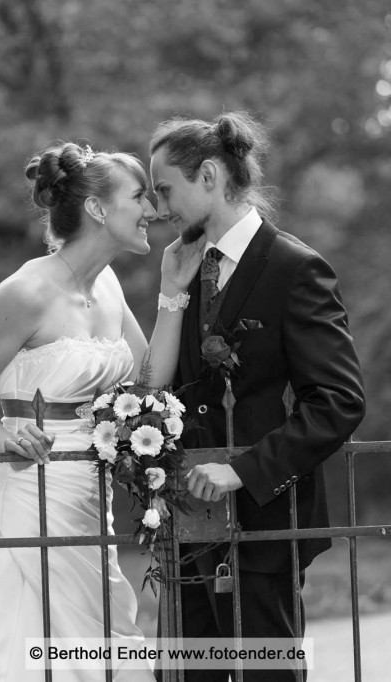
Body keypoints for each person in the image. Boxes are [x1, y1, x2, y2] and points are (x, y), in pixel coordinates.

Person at [0, 141, 204, 681]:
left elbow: (149, 381)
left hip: (89, 495)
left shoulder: (108, 283)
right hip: (30, 491)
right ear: (99, 209)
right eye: (139, 196)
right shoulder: (25, 291)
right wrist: (5, 439)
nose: (152, 209)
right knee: (21, 633)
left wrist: (172, 292)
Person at [148, 112, 366, 681]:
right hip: (188, 519)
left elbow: (339, 402)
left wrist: (242, 471)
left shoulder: (295, 268)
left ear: (212, 176)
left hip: (265, 521)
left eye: (166, 189)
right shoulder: (188, 267)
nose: (159, 207)